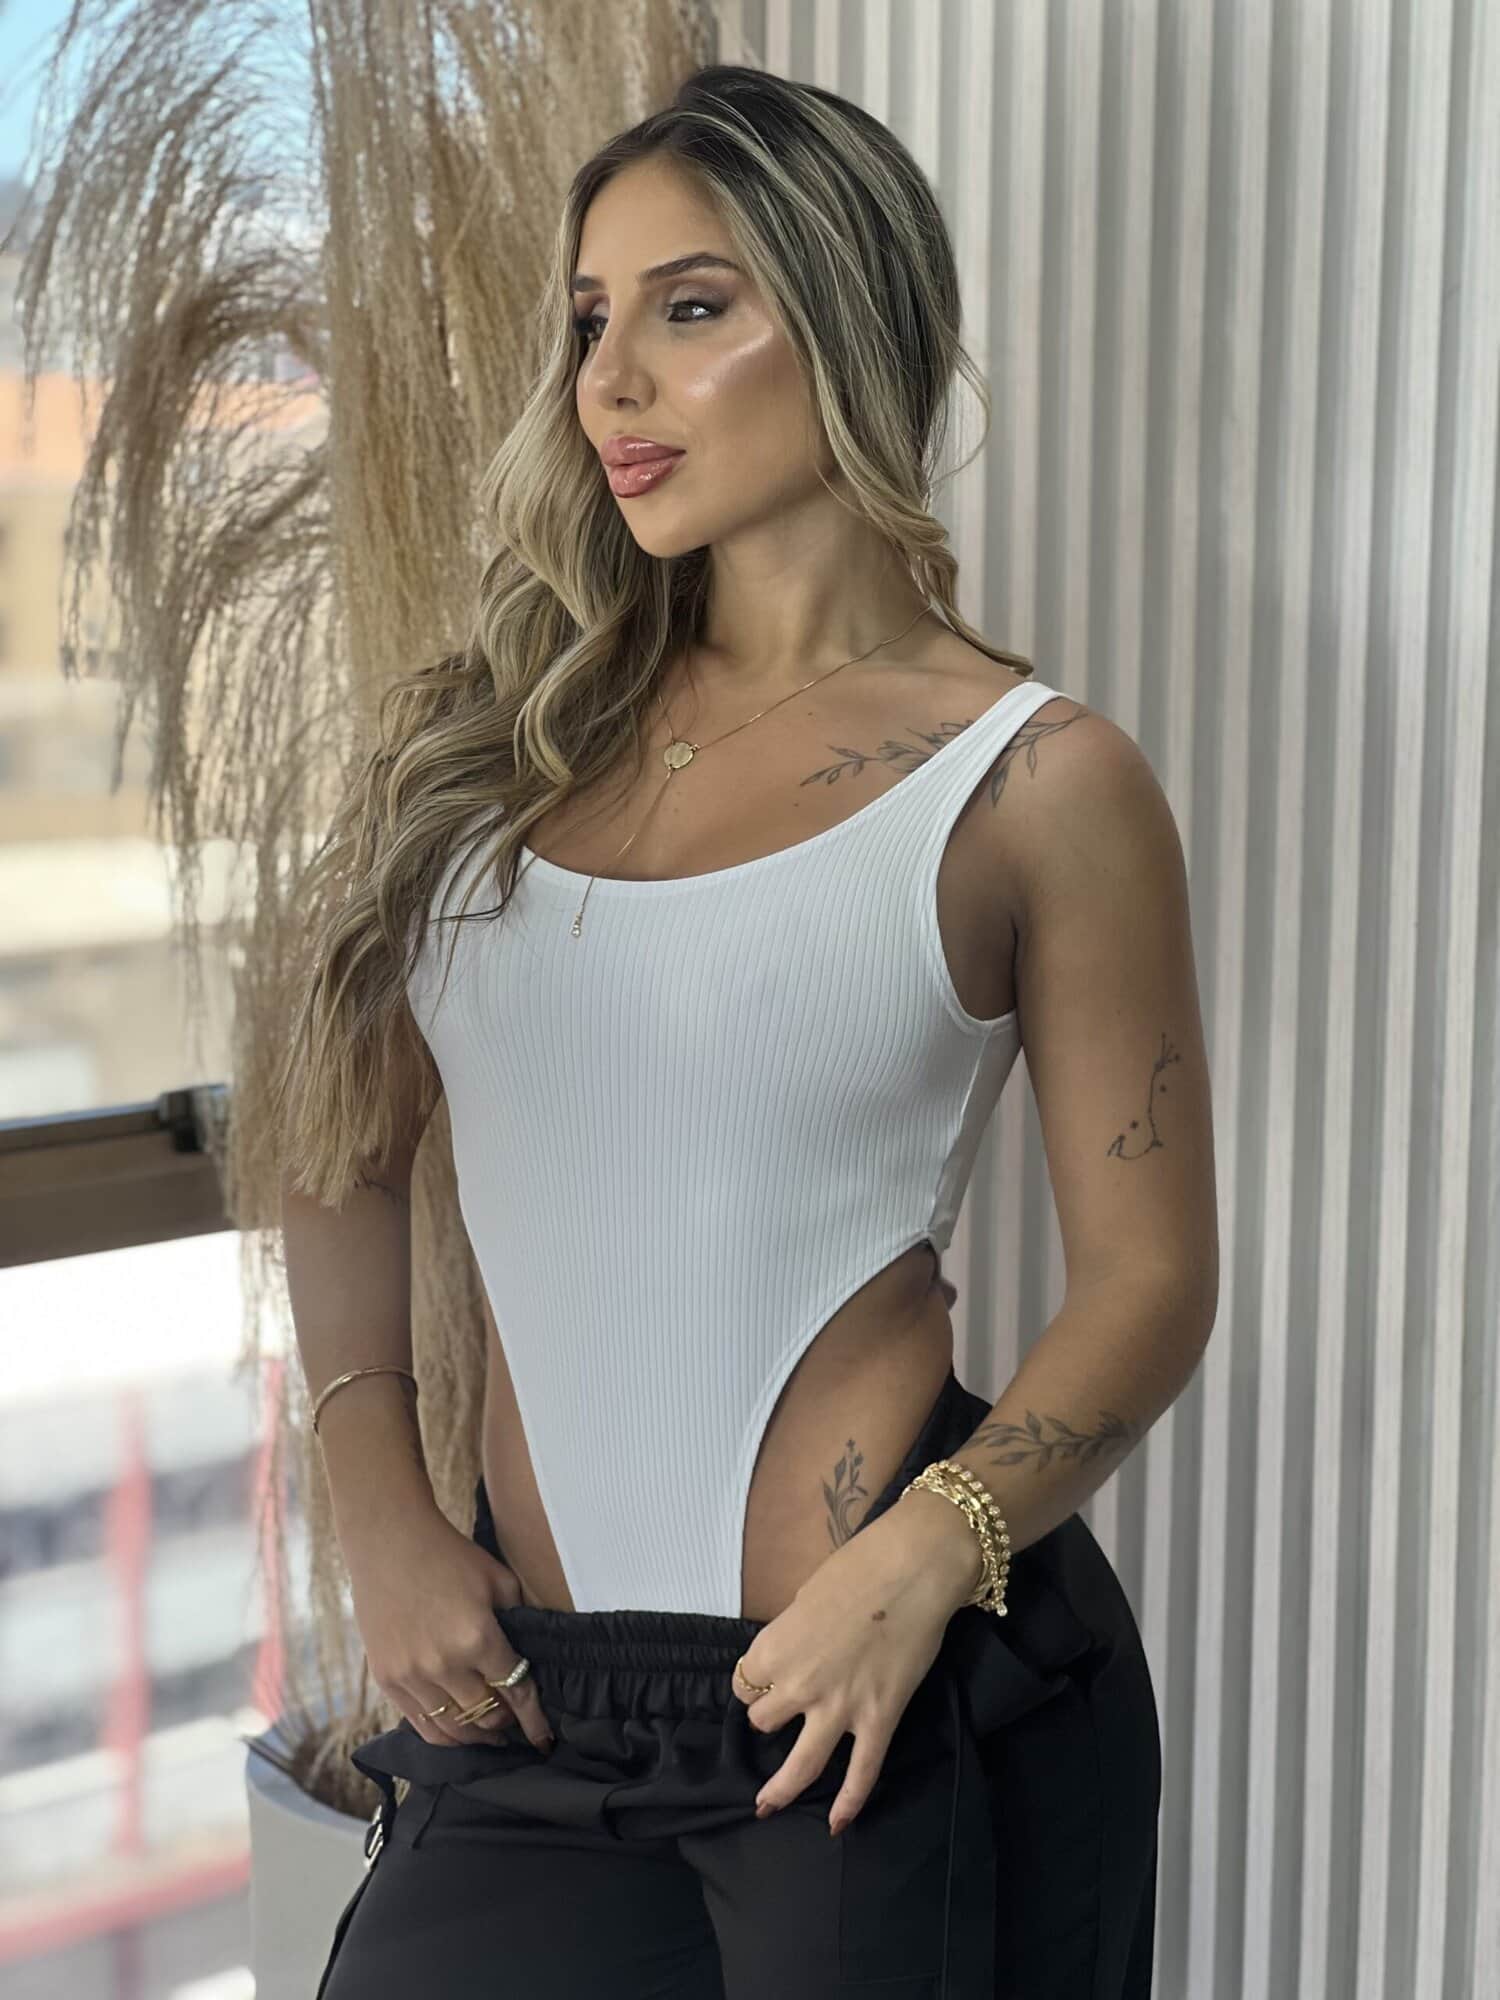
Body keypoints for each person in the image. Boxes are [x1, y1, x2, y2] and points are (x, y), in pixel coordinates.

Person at [277, 61, 1218, 1999]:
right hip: (532, 1700)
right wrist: (378, 1501)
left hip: (861, 1694)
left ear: (853, 322)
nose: (610, 382)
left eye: (689, 308)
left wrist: (924, 1564)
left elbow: (1151, 1279)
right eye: (588, 322)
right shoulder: (493, 745)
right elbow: (337, 1143)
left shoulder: (1036, 783)